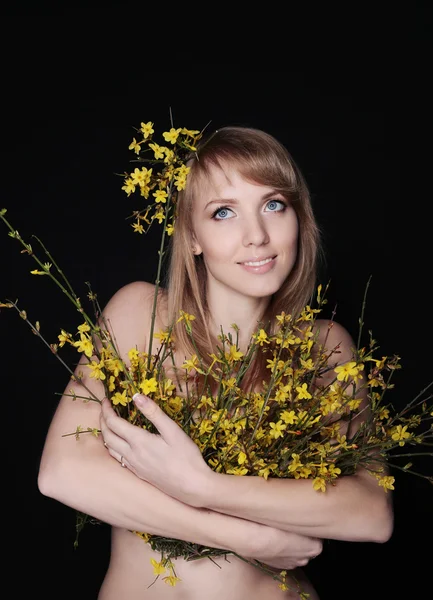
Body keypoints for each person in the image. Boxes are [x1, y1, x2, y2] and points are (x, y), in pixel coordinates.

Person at [37, 126, 394, 599]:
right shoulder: (140, 315)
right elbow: (62, 472)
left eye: (273, 205)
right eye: (223, 212)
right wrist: (248, 537)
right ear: (192, 237)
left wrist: (205, 487)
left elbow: (373, 514)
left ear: (298, 218)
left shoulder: (326, 347)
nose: (257, 236)